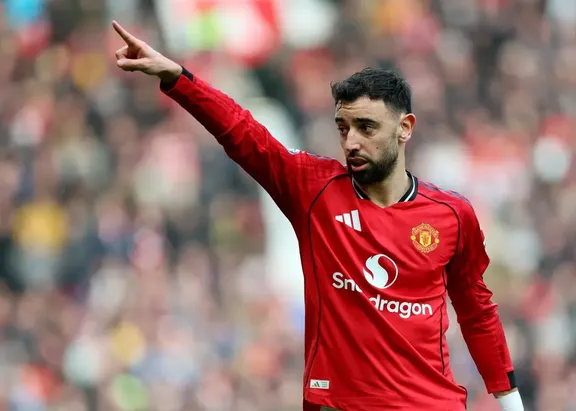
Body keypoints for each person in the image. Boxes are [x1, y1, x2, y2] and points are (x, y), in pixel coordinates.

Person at [111, 21, 524, 411]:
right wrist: (177, 78)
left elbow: (477, 311)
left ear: (405, 128)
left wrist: (511, 403)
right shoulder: (314, 190)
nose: (352, 141)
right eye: (343, 128)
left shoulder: (451, 215)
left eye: (366, 127)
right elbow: (242, 132)